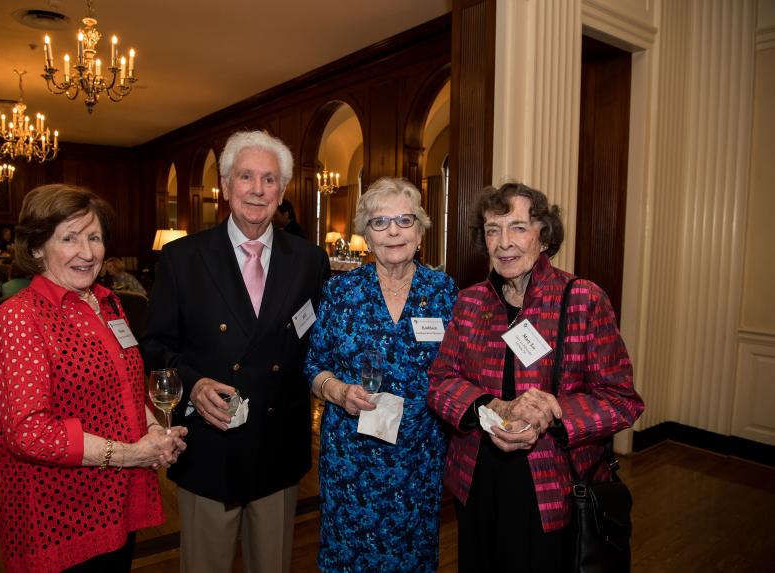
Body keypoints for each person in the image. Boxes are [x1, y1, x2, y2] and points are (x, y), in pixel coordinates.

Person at [426, 182, 644, 571]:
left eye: (518, 228)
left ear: (544, 237)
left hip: (551, 484)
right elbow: (441, 380)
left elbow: (621, 400)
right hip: (476, 478)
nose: (504, 242)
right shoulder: (470, 301)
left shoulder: (582, 300)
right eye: (493, 230)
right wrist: (487, 405)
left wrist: (555, 410)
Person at [142, 130, 330, 573]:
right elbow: (153, 345)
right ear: (225, 187)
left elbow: (321, 342)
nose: (258, 189)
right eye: (246, 177)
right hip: (209, 446)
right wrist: (193, 383)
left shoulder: (309, 260)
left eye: (269, 180)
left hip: (277, 446)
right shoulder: (182, 258)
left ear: (282, 191)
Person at [0, 184, 188, 573]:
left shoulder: (109, 303)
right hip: (57, 512)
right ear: (36, 248)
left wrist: (152, 432)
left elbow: (128, 384)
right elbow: (29, 432)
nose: (88, 252)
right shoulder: (20, 317)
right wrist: (130, 455)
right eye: (70, 238)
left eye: (94, 237)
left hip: (116, 498)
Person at [304, 177, 457, 572]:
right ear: (366, 237)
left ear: (420, 232)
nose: (393, 231)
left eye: (404, 221)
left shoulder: (444, 291)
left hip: (419, 456)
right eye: (379, 222)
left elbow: (461, 370)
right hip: (351, 460)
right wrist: (337, 392)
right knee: (348, 556)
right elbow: (312, 364)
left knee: (413, 554)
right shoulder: (341, 292)